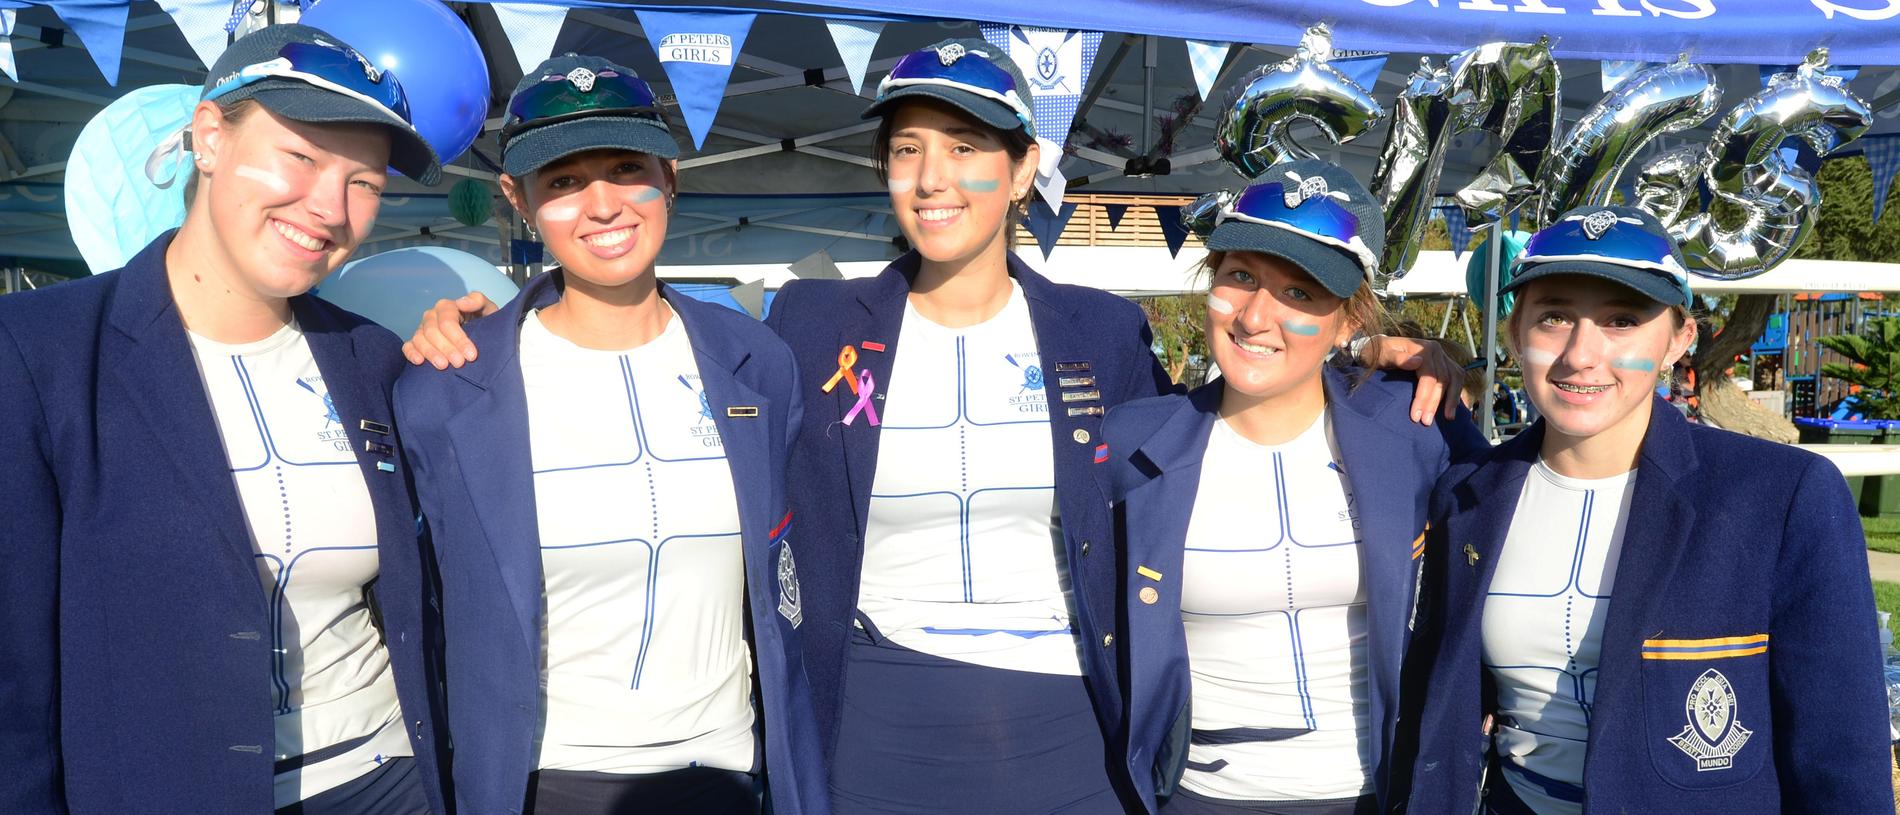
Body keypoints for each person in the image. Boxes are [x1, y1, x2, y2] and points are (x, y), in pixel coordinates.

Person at [399, 40, 1463, 813]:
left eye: (964, 148)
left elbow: (1212, 417)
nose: (933, 177)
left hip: (1069, 723)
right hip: (867, 716)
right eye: (908, 149)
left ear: (1021, 169)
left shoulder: (1100, 329)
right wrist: (477, 317)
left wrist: (1386, 352)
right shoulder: (806, 326)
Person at [0, 24, 447, 815]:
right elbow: (14, 667)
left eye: (365, 183)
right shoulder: (41, 353)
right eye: (302, 157)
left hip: (391, 780)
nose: (328, 208)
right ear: (209, 136)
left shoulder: (374, 359)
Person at [390, 55, 825, 815]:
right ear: (517, 200)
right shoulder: (445, 388)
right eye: (561, 180)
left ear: (670, 176)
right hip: (545, 784)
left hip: (729, 774)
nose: (602, 204)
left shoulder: (759, 363)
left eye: (627, 168)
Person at [1401, 206, 1893, 814]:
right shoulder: (1467, 495)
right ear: (1513, 332)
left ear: (1679, 339)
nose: (1582, 354)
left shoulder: (1782, 495)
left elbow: (1840, 750)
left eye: (1622, 320)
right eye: (1554, 316)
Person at [1107, 161, 1487, 815]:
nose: (1256, 315)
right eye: (1242, 276)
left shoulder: (1416, 424)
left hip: (1379, 794)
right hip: (1203, 796)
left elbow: (1507, 532)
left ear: (1347, 321)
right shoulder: (1132, 443)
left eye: (1301, 293)